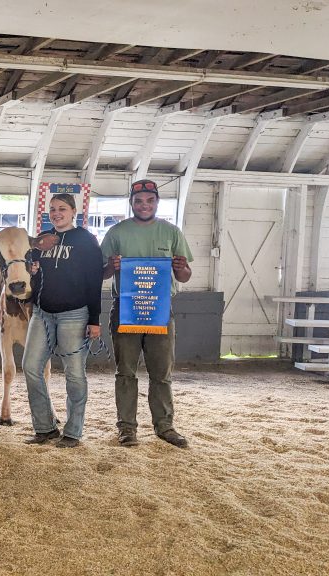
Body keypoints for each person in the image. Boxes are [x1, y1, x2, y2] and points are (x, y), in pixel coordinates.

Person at [101, 179, 193, 449]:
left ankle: (165, 426)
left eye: (149, 200)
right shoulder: (116, 233)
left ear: (156, 202)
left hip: (160, 310)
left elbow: (185, 276)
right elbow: (101, 273)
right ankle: (127, 428)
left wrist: (181, 266)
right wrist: (111, 266)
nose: (144, 205)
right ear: (132, 203)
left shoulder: (171, 232)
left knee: (161, 373)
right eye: (139, 201)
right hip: (126, 309)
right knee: (126, 371)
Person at [22, 193, 103, 448]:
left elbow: (94, 282)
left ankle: (73, 431)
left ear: (73, 212)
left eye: (62, 209)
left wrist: (94, 319)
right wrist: (32, 271)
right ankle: (45, 427)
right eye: (53, 209)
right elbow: (31, 275)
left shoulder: (86, 240)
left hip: (75, 315)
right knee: (31, 366)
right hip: (42, 313)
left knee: (75, 374)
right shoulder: (41, 240)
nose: (57, 213)